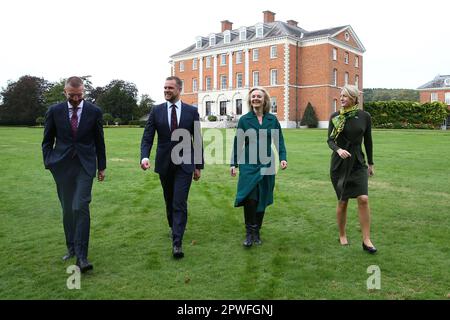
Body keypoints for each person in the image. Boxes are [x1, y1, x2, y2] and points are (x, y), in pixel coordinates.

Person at [42, 76, 106, 272]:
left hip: (85, 166)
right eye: (72, 96)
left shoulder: (94, 112)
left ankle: (82, 256)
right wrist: (49, 162)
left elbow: (99, 140)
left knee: (81, 206)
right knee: (68, 209)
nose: (76, 99)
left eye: (79, 95)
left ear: (84, 92)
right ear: (65, 92)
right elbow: (47, 141)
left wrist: (101, 166)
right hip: (61, 167)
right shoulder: (54, 111)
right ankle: (71, 247)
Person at [140, 76, 204, 259]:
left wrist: (198, 166)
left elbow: (197, 139)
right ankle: (172, 226)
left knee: (179, 201)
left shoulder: (191, 112)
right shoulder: (156, 110)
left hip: (185, 164)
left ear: (179, 90)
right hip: (165, 163)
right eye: (165, 87)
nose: (166, 90)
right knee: (169, 200)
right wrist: (144, 156)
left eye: (170, 88)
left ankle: (177, 242)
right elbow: (147, 136)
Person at [230, 87, 287, 247]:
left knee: (262, 197)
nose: (255, 98)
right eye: (253, 96)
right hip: (248, 163)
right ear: (250, 100)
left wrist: (283, 157)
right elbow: (238, 142)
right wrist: (233, 163)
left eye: (259, 96)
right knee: (250, 198)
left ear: (265, 100)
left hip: (267, 163)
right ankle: (249, 233)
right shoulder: (244, 120)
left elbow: (279, 140)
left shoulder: (272, 120)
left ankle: (257, 231)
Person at [327, 84, 377, 253]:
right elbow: (330, 141)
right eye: (341, 96)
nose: (342, 99)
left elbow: (368, 141)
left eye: (345, 96)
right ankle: (342, 234)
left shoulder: (364, 116)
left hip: (358, 162)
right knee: (343, 201)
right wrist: (339, 150)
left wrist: (370, 163)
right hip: (339, 164)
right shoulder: (335, 117)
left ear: (354, 98)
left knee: (363, 198)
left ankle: (366, 240)